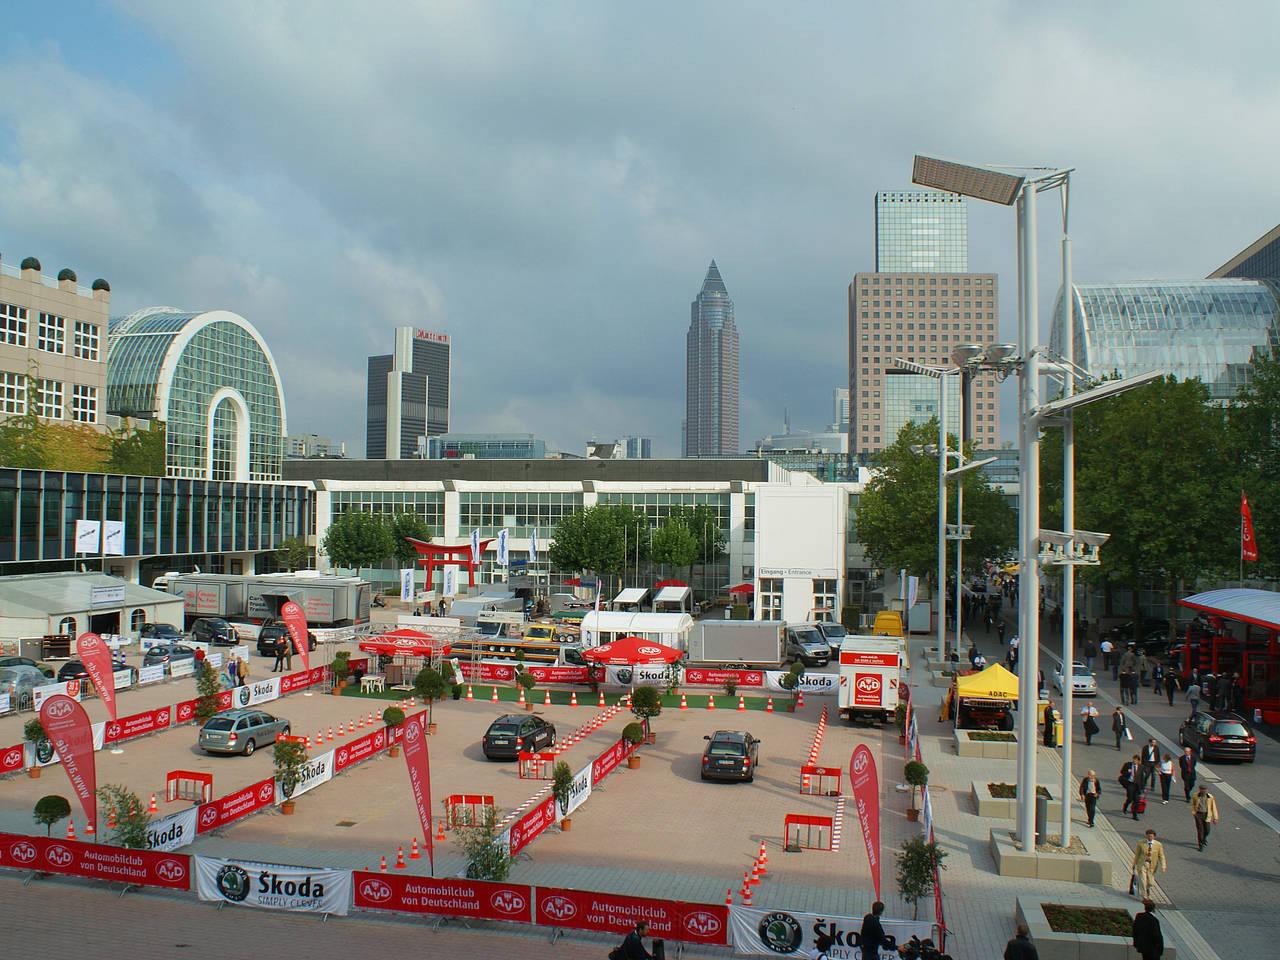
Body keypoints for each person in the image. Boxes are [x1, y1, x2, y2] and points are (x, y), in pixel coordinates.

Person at [1131, 829, 1167, 899]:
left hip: (1152, 865)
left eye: (1151, 836)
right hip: (1142, 864)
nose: (1150, 838)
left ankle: (1147, 889)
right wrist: (1134, 864)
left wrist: (1163, 865)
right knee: (1143, 880)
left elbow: (1161, 856)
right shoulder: (1141, 843)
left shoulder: (1158, 845)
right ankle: (1144, 896)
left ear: (1154, 837)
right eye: (1148, 836)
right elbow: (1137, 855)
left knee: (1151, 882)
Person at [1191, 783, 1219, 851]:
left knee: (1207, 830)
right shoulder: (1196, 796)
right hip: (1198, 814)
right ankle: (1201, 845)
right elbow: (1192, 804)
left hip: (1207, 815)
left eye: (1205, 790)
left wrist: (1215, 818)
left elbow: (1213, 807)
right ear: (1200, 790)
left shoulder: (1210, 797)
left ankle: (1204, 838)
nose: (1204, 791)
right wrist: (1194, 812)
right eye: (1203, 790)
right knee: (1200, 830)